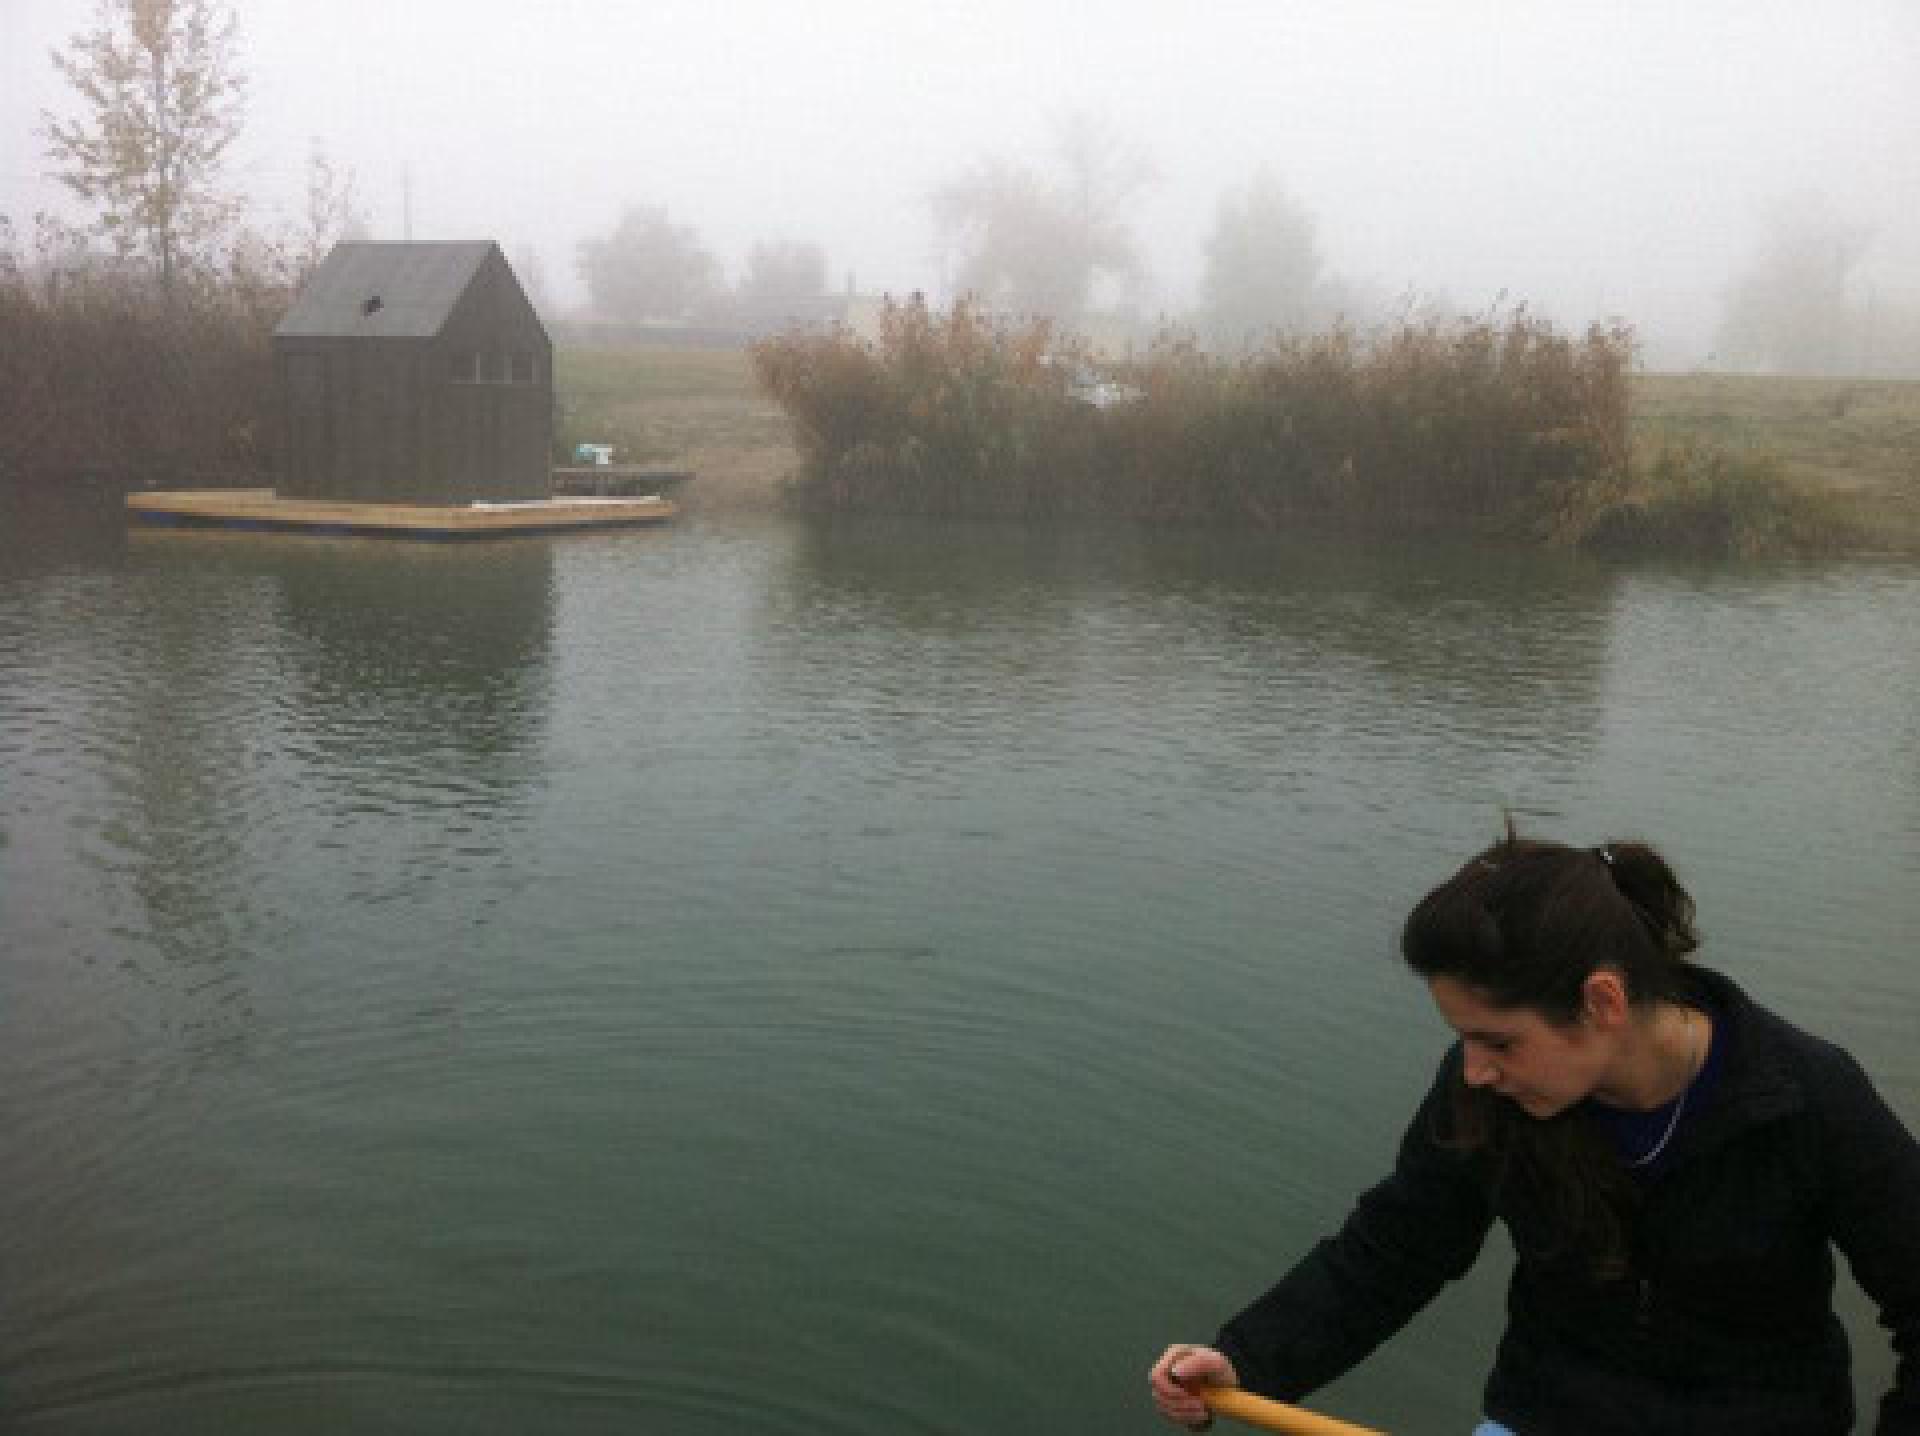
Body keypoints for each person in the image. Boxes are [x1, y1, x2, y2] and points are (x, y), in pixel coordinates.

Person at [1149, 829, 1920, 1436]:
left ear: (1602, 1002)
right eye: (1466, 1040)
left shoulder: (1808, 1095)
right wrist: (1246, 1361)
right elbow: (1395, 1248)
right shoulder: (1489, 1094)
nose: (1475, 1070)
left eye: (1499, 1041)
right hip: (1548, 1417)